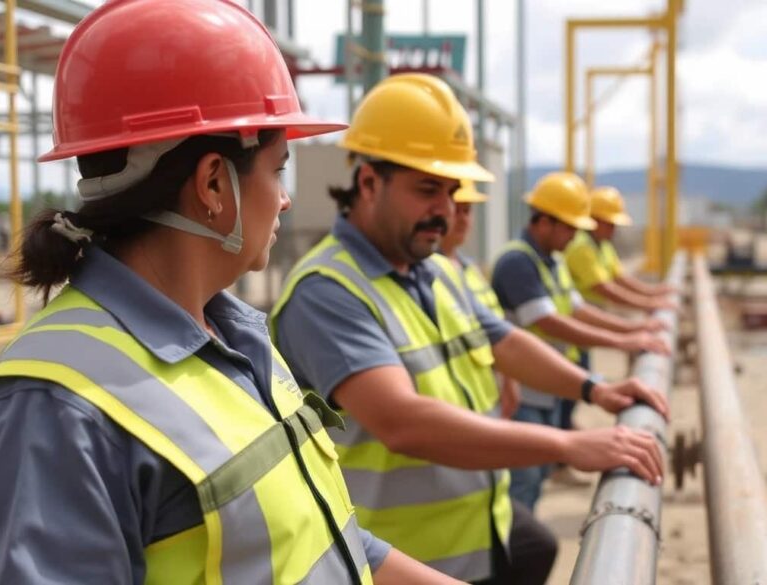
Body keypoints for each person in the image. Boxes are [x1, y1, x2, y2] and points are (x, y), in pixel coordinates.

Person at [0, 2, 458, 583]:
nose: (286, 199)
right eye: (279, 169)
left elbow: (323, 539)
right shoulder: (51, 414)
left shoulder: (239, 341)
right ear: (214, 183)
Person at [270, 73, 668, 585]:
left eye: (452, 189)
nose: (446, 208)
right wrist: (566, 444)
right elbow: (402, 421)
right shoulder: (327, 291)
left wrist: (597, 389)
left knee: (537, 547)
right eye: (427, 188)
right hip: (403, 564)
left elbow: (504, 340)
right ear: (368, 182)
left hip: (479, 538)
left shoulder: (433, 272)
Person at [491, 171, 670, 506]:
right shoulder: (517, 262)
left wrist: (631, 332)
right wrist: (623, 339)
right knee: (523, 483)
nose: (574, 236)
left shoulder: (552, 260)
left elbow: (576, 309)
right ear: (543, 222)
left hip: (549, 385)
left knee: (536, 476)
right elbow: (551, 322)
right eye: (569, 227)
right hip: (523, 391)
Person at [437, 180, 519, 419]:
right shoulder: (427, 274)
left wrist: (509, 379)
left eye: (467, 211)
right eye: (457, 208)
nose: (462, 219)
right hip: (455, 407)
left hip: (485, 396)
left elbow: (497, 330)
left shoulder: (471, 269)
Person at [564, 185, 676, 311]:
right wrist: (648, 304)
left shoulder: (602, 244)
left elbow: (620, 278)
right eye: (610, 224)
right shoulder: (581, 247)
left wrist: (653, 293)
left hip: (592, 309)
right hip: (582, 311)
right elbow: (603, 288)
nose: (614, 229)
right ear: (594, 219)